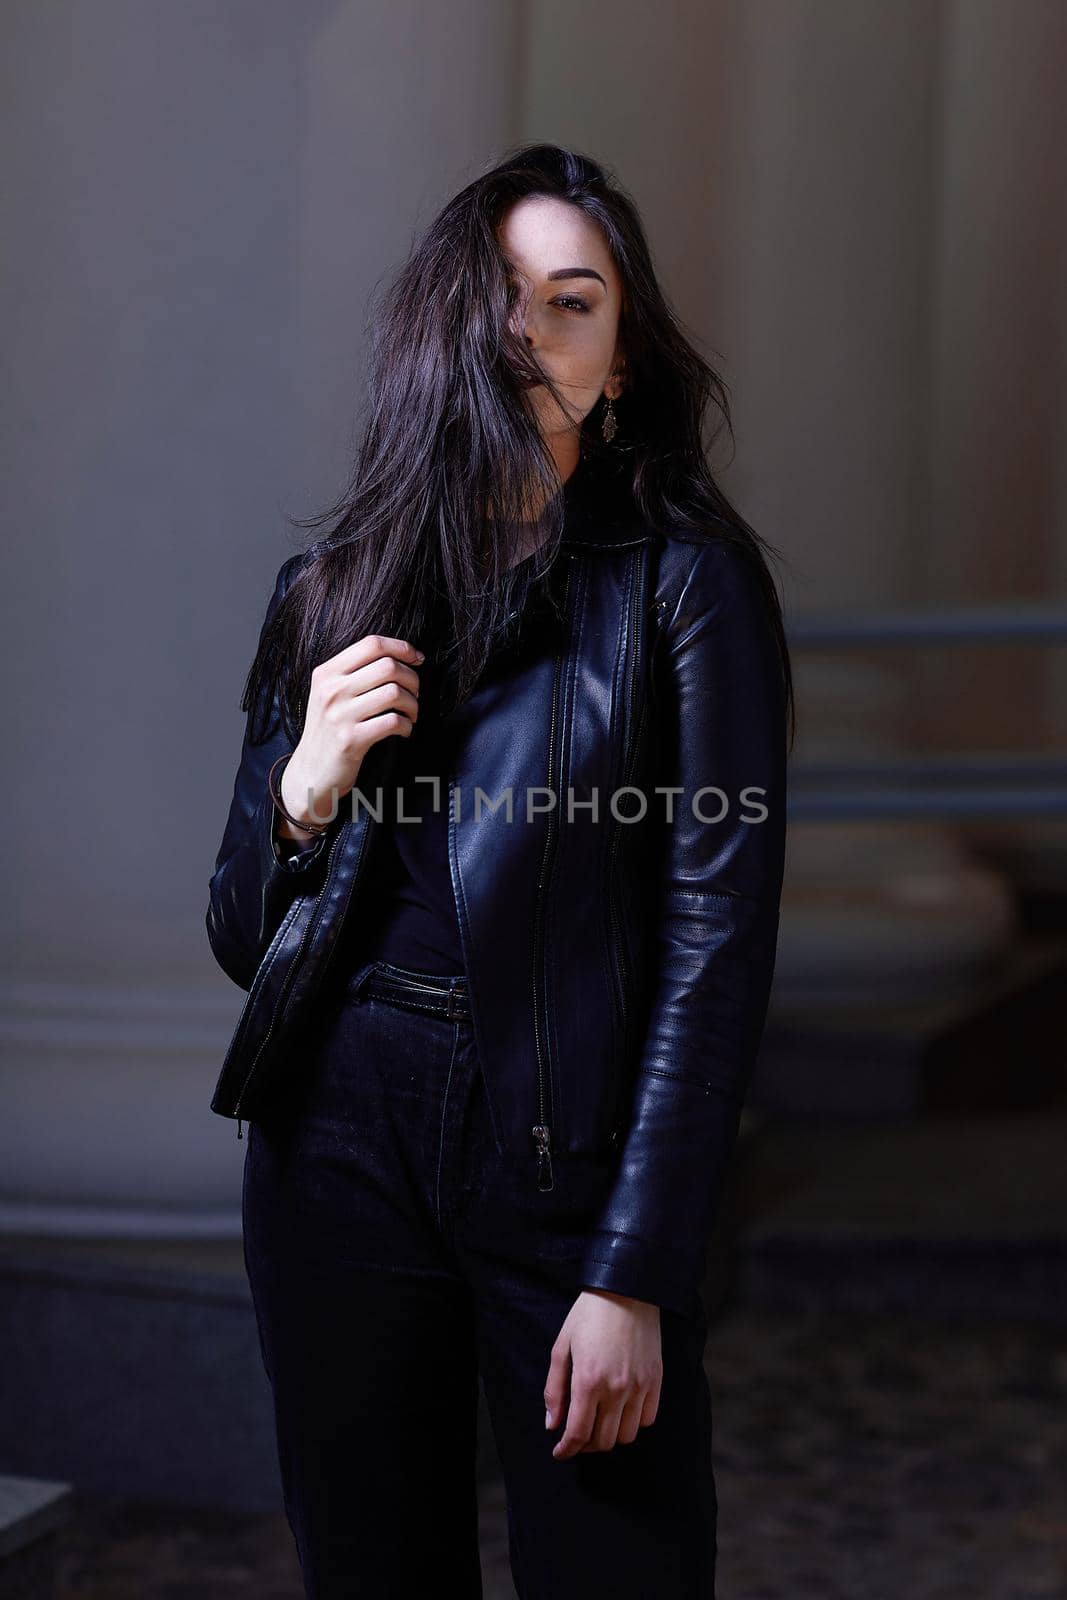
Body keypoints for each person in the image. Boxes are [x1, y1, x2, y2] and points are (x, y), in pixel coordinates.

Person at [206, 142, 794, 1598]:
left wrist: (639, 1265)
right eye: (501, 299)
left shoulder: (686, 588)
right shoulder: (330, 591)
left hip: (566, 1155)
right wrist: (302, 791)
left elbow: (717, 947)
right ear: (443, 331)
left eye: (575, 303)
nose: (530, 336)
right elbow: (238, 933)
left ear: (623, 359)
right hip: (334, 1141)